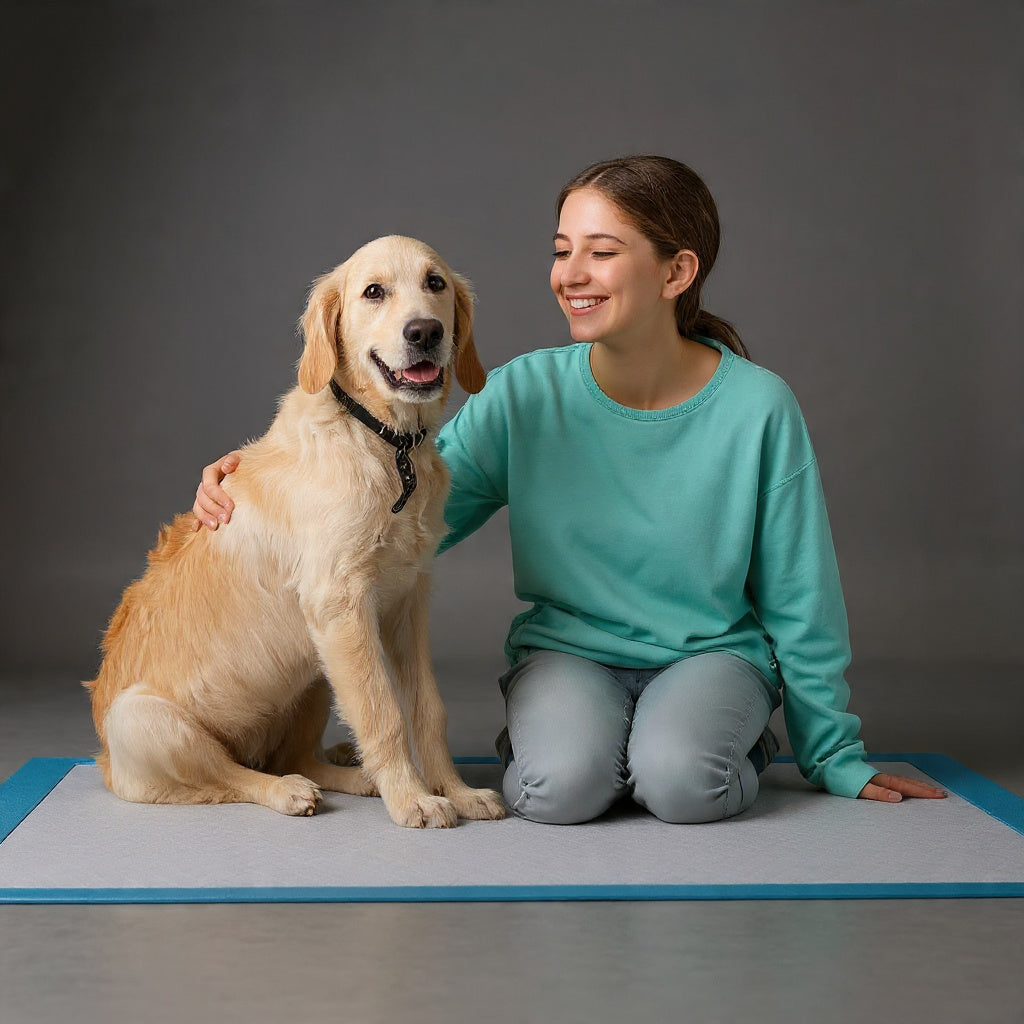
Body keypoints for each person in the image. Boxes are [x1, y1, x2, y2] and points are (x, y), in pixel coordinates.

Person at [191, 155, 946, 824]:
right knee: (555, 792)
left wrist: (834, 755)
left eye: (602, 252)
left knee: (684, 785)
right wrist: (269, 481)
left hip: (711, 655)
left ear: (676, 273)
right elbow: (400, 515)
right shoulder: (524, 394)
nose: (570, 274)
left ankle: (704, 738)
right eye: (562, 252)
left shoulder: (758, 407)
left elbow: (800, 594)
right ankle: (600, 739)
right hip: (570, 655)